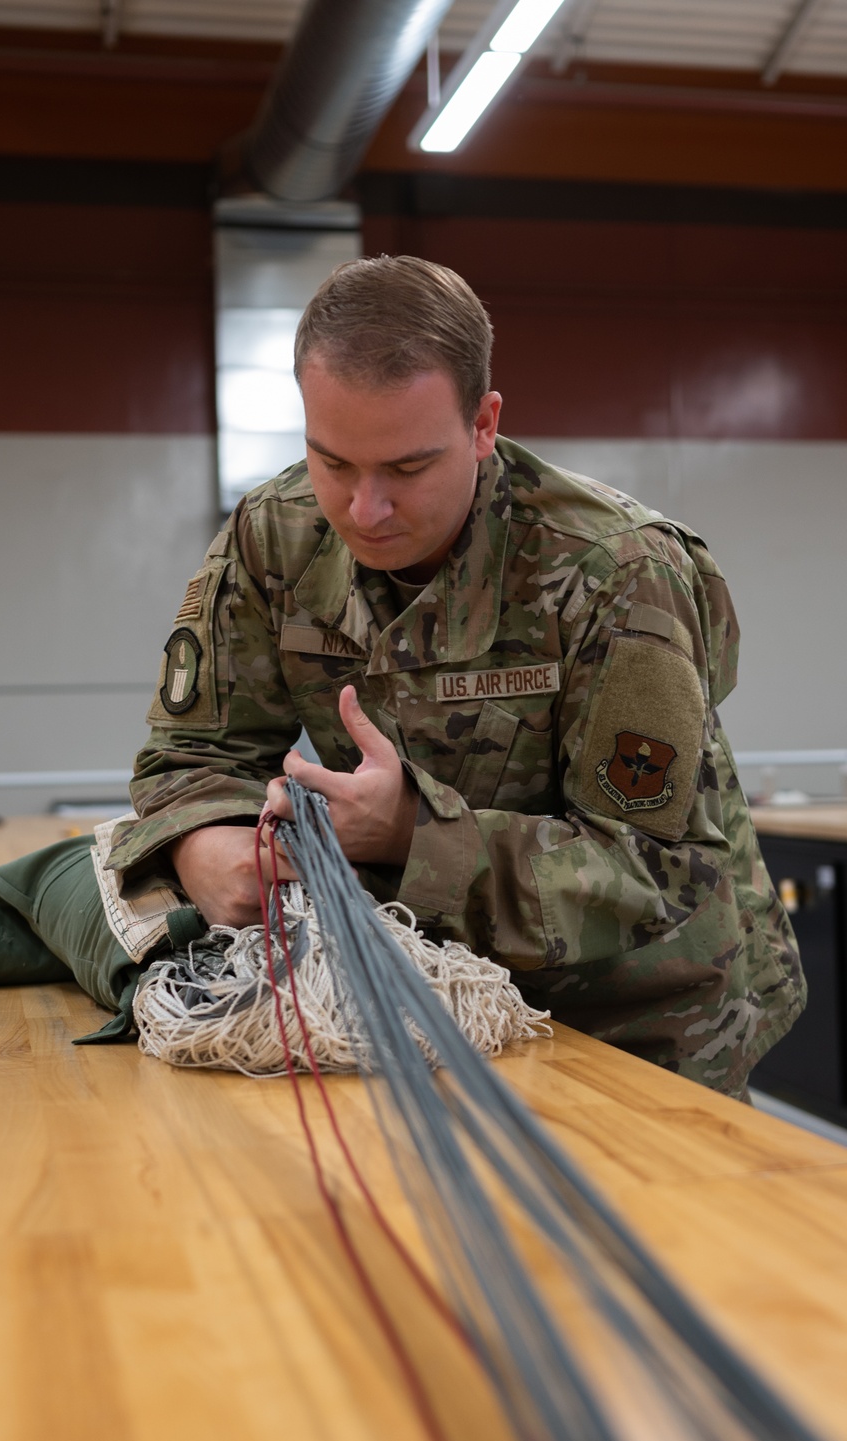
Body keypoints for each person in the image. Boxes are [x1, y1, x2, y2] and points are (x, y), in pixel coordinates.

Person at [98, 254, 803, 1098]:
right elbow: (191, 755)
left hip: (644, 1021)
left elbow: (655, 870)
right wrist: (204, 840)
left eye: (406, 468)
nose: (365, 509)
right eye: (332, 462)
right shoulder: (274, 537)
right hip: (426, 1002)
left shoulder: (614, 571)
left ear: (483, 424)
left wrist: (410, 835)